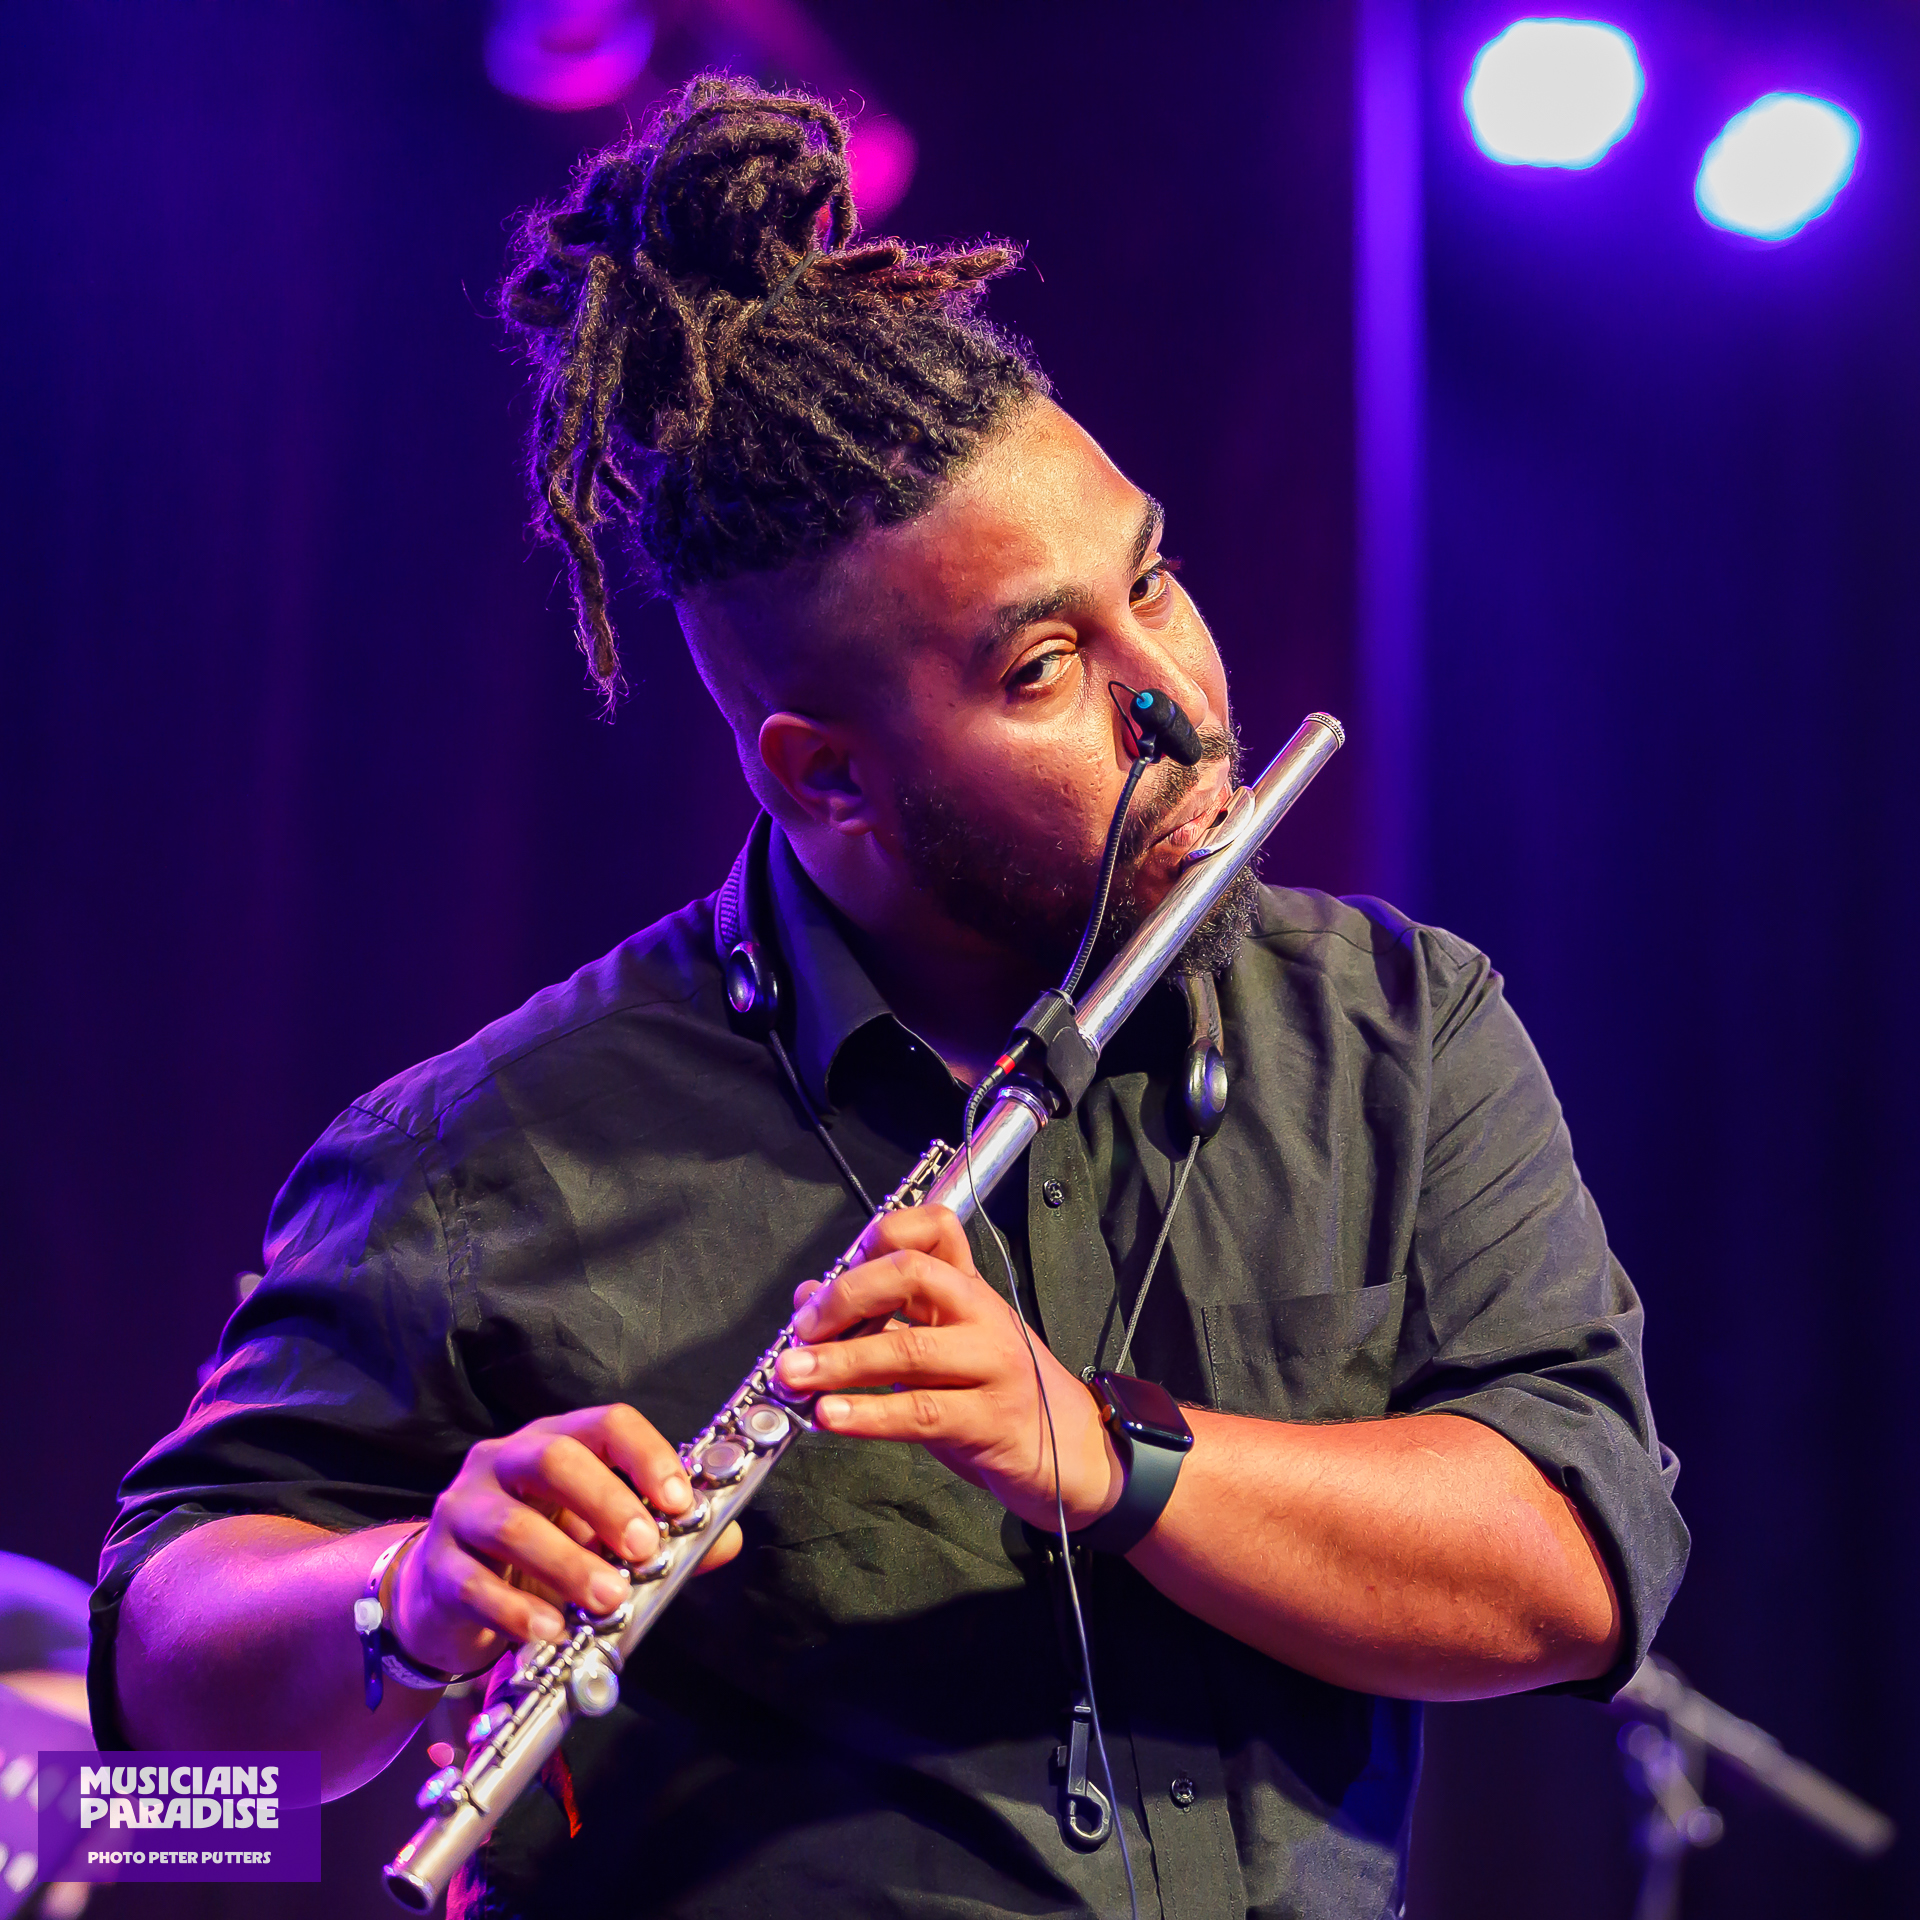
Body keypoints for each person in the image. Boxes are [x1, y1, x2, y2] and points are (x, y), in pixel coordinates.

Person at [90, 75, 1688, 1920]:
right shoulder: (483, 1148)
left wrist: (1106, 1454)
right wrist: (398, 1595)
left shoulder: (1397, 1026)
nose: (1177, 700)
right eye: (1045, 666)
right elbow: (163, 1740)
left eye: (1153, 579)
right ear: (826, 774)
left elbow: (1580, 1571)